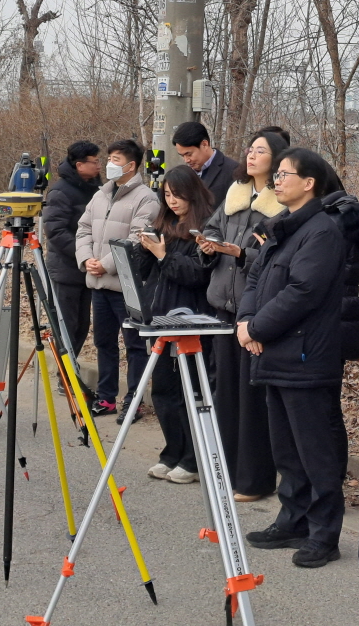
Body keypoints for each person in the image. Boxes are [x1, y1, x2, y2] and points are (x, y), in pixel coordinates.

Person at [236, 147, 359, 570]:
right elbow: (256, 276)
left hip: (305, 355)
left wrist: (258, 328)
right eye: (275, 174)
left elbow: (304, 292)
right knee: (286, 450)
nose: (276, 180)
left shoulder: (323, 232)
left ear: (309, 183)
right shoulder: (283, 226)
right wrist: (245, 321)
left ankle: (323, 535)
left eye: (284, 174)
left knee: (315, 452)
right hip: (273, 350)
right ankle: (292, 520)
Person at [200, 128, 289, 501]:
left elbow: (274, 255)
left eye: (261, 151)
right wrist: (207, 243)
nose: (251, 156)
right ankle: (226, 473)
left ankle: (254, 480)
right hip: (223, 307)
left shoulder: (281, 203)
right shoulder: (235, 194)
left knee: (251, 401)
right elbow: (212, 227)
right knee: (226, 397)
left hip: (254, 314)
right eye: (249, 149)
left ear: (278, 159)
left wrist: (239, 254)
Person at [132, 162, 217, 485]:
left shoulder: (205, 227)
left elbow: (197, 275)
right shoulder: (163, 222)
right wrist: (145, 249)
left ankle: (193, 459)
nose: (172, 201)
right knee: (163, 390)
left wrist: (163, 255)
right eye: (167, 194)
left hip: (190, 318)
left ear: (193, 194)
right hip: (159, 317)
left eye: (178, 195)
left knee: (189, 391)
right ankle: (172, 451)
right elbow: (144, 272)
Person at [74, 139, 160, 414]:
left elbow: (139, 238)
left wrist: (107, 265)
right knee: (104, 343)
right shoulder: (101, 193)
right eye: (108, 158)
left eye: (115, 159)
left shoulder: (146, 197)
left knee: (134, 345)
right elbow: (83, 229)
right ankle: (107, 397)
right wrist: (87, 259)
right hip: (99, 285)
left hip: (127, 286)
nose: (109, 164)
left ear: (131, 165)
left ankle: (133, 401)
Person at [42, 140, 102, 359]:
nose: (99, 166)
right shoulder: (60, 191)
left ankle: (71, 372)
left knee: (82, 325)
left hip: (89, 269)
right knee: (66, 325)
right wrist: (83, 255)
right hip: (67, 269)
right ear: (79, 165)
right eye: (94, 162)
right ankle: (65, 376)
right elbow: (56, 232)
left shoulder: (96, 188)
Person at [173, 120, 237, 202]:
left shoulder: (233, 171)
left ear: (204, 144)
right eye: (182, 156)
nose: (186, 160)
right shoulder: (184, 174)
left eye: (189, 154)